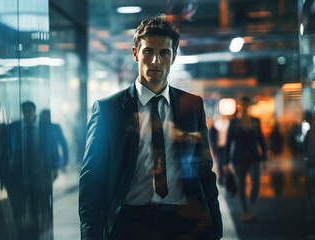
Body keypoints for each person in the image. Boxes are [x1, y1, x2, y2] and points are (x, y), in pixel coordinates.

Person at [79, 17, 222, 240]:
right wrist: (90, 235)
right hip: (129, 223)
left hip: (183, 221)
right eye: (148, 51)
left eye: (164, 53)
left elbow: (203, 169)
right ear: (136, 53)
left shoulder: (192, 106)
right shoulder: (109, 110)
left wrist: (215, 227)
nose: (155, 60)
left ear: (173, 57)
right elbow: (91, 179)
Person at [7, 101, 57, 240]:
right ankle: (21, 233)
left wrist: (54, 166)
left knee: (36, 205)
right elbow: (8, 148)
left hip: (38, 174)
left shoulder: (44, 128)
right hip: (19, 173)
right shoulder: (15, 127)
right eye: (24, 111)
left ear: (34, 111)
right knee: (20, 207)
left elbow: (51, 147)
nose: (27, 114)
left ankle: (35, 234)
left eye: (29, 111)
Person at [224, 96, 267, 222]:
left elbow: (261, 140)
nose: (244, 107)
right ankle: (245, 211)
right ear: (238, 107)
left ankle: (251, 207)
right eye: (242, 105)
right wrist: (225, 162)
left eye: (246, 105)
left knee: (256, 185)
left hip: (254, 158)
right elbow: (228, 143)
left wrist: (264, 158)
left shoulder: (255, 121)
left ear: (249, 106)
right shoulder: (233, 122)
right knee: (241, 186)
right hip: (239, 158)